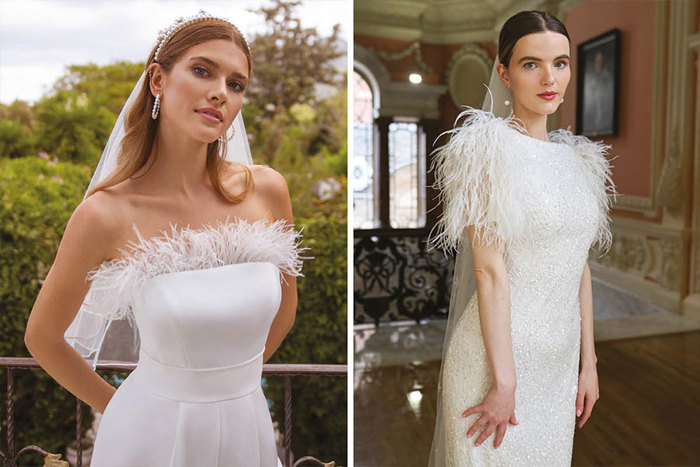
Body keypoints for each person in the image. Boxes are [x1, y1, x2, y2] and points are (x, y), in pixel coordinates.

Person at [24, 11, 303, 466]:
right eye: (202, 70)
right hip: (148, 437)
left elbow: (286, 310)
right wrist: (124, 408)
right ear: (157, 79)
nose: (220, 92)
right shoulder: (106, 213)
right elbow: (43, 337)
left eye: (236, 84)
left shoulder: (267, 190)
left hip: (246, 426)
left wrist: (228, 386)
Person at [428, 10, 616, 466]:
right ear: (504, 73)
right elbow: (489, 272)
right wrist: (505, 381)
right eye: (531, 64)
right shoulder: (484, 152)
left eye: (561, 63)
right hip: (492, 366)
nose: (549, 78)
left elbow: (578, 266)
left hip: (558, 364)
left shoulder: (580, 162)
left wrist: (587, 366)